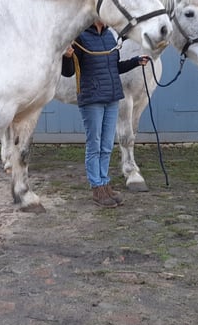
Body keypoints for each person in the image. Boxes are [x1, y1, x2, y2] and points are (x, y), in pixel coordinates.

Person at [62, 20, 150, 207]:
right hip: (92, 98)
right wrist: (67, 57)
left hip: (112, 98)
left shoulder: (110, 36)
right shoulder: (79, 37)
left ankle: (105, 183)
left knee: (107, 144)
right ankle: (97, 187)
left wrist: (136, 61)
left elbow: (114, 67)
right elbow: (68, 72)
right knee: (94, 144)